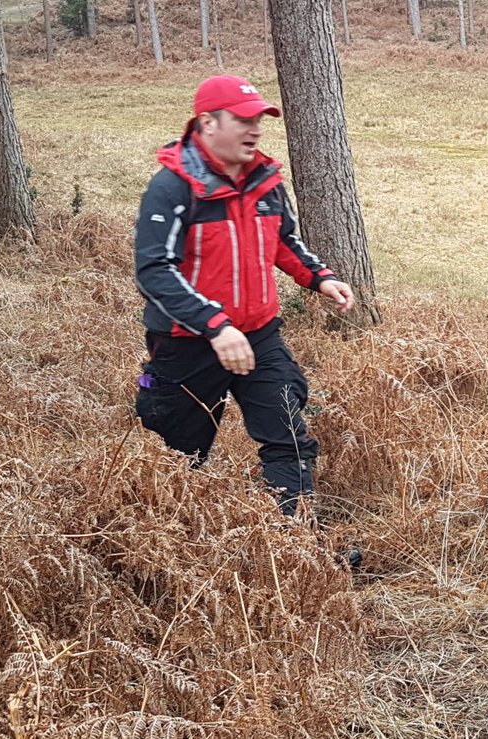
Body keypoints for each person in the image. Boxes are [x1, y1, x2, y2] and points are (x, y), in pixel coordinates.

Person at [133, 74, 354, 519]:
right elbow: (154, 270)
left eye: (260, 120)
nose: (255, 130)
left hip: (258, 337)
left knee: (288, 435)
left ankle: (294, 545)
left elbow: (283, 241)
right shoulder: (173, 188)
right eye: (244, 119)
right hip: (186, 345)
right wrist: (215, 325)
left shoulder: (265, 182)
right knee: (178, 454)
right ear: (208, 123)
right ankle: (175, 545)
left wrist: (319, 277)